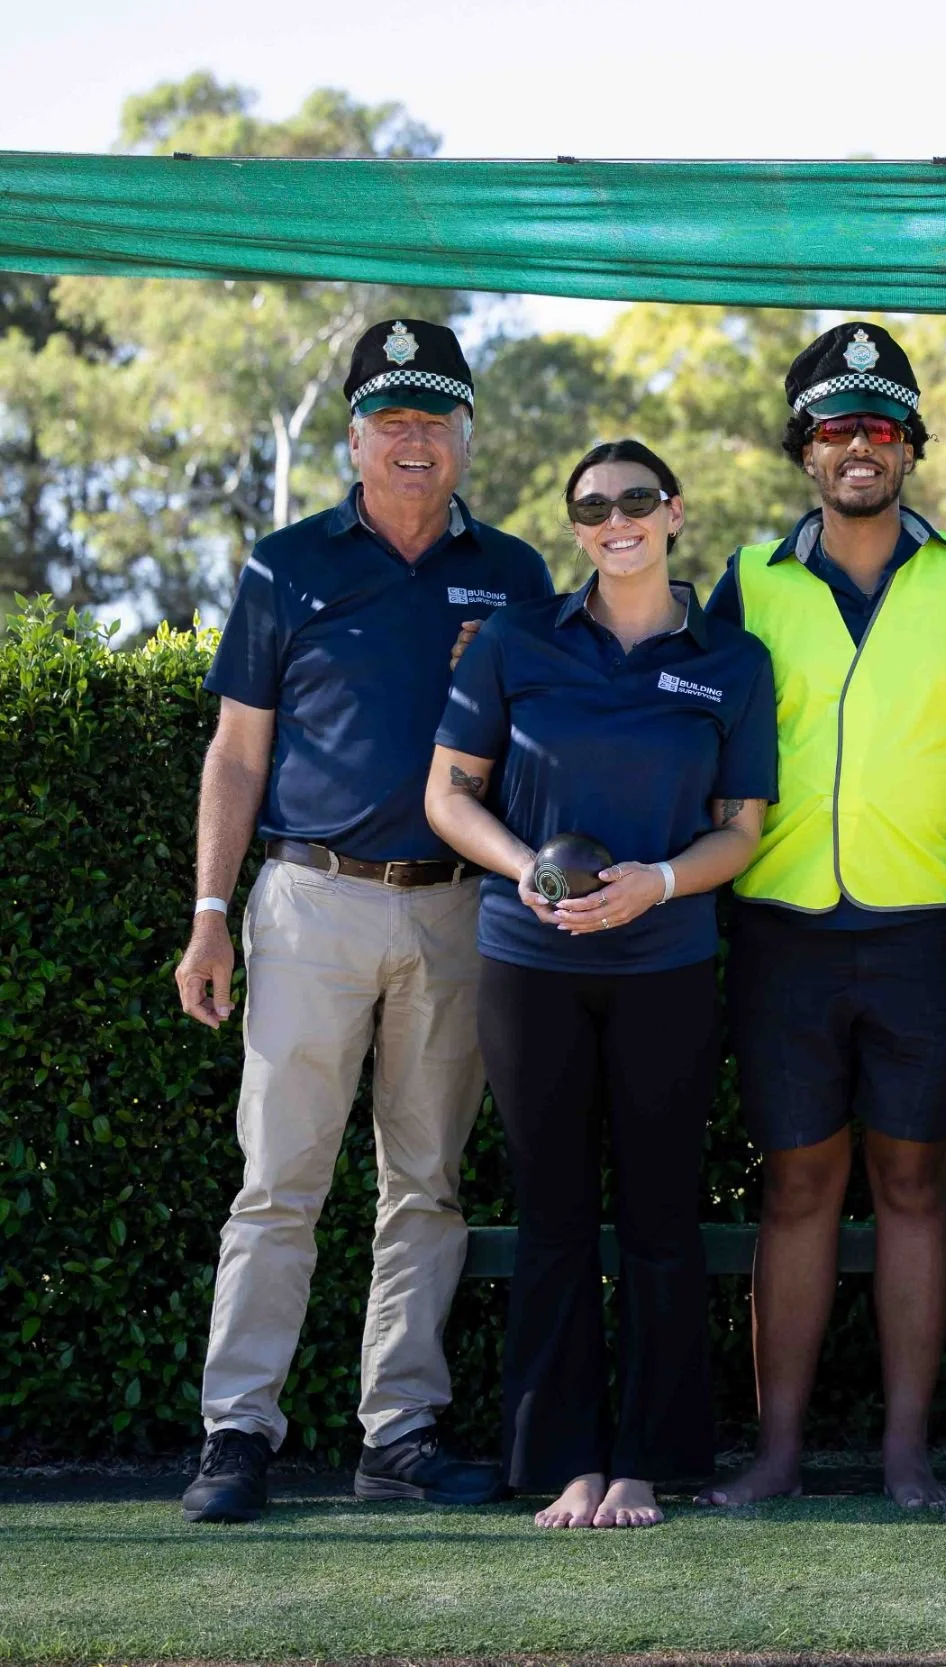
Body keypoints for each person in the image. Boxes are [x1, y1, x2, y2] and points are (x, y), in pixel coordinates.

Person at [174, 319, 551, 1525]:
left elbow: (555, 736)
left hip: (455, 911)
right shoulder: (285, 564)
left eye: (435, 418)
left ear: (465, 440)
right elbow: (238, 752)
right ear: (352, 437)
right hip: (309, 901)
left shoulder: (519, 576)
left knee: (426, 1186)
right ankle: (237, 1432)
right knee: (278, 1183)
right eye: (392, 418)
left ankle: (398, 1431)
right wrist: (209, 912)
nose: (413, 439)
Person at [696, 322, 946, 1510]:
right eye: (837, 425)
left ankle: (902, 1449)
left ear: (912, 445)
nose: (860, 445)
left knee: (916, 1183)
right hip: (780, 926)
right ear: (805, 448)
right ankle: (778, 1449)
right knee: (793, 1186)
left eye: (881, 424)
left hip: (923, 931)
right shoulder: (745, 579)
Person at [426, 439, 774, 1529]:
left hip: (666, 962)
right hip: (529, 965)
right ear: (574, 525)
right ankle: (563, 1457)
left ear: (674, 512)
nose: (613, 519)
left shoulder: (732, 658)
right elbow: (447, 791)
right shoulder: (519, 639)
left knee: (666, 1215)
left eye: (634, 500)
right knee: (556, 1215)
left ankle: (647, 1460)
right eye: (591, 506)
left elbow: (743, 832)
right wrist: (521, 865)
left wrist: (657, 883)